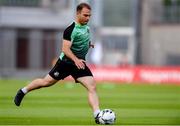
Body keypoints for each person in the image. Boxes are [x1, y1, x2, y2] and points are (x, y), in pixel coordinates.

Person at [14, 3, 101, 124]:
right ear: (78, 14)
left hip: (79, 64)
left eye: (89, 16)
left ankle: (97, 115)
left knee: (92, 86)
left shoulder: (87, 27)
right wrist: (75, 60)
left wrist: (88, 44)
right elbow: (65, 49)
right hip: (65, 63)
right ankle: (23, 91)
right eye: (85, 15)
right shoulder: (70, 29)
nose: (88, 18)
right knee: (45, 82)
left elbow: (82, 39)